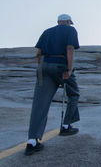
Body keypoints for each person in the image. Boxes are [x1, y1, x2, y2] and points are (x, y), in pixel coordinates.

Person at [25, 14, 80, 156]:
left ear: (58, 22)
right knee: (74, 94)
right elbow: (69, 48)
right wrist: (68, 69)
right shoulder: (70, 31)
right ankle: (66, 126)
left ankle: (32, 142)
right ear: (68, 22)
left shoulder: (47, 31)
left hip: (43, 67)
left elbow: (38, 53)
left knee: (40, 103)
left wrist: (42, 68)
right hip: (60, 66)